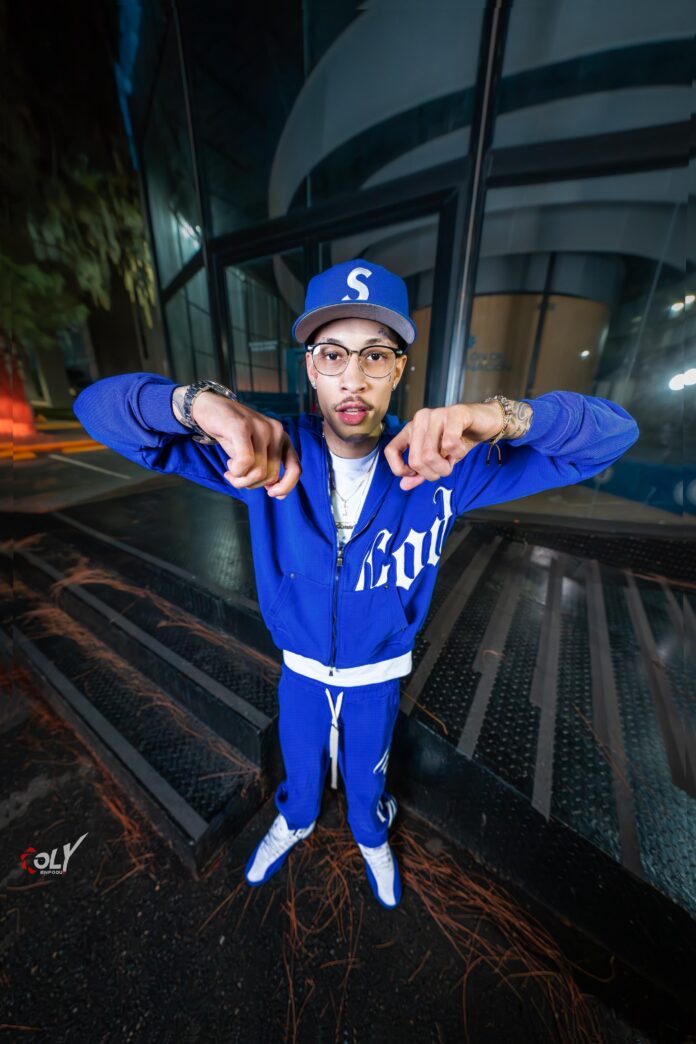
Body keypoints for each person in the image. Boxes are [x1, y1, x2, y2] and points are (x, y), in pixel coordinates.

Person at [73, 258, 640, 909]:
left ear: (399, 369)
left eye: (375, 355)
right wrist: (194, 405)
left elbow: (614, 435)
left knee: (369, 777)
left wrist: (501, 416)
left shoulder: (444, 465)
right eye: (333, 354)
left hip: (379, 673)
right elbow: (97, 410)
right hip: (301, 668)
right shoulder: (267, 452)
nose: (353, 378)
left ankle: (372, 836)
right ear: (310, 367)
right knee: (300, 763)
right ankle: (296, 818)